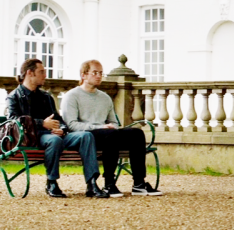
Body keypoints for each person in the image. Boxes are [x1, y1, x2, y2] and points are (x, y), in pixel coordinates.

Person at [6, 58, 108, 198]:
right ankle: (52, 182)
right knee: (54, 140)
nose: (45, 75)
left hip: (55, 135)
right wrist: (41, 123)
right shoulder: (14, 97)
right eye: (41, 72)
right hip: (33, 137)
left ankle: (92, 184)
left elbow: (59, 119)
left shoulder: (45, 97)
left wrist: (63, 129)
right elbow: (13, 120)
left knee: (86, 136)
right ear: (30, 73)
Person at [61, 59, 163, 197]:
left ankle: (139, 183)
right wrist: (100, 127)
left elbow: (114, 122)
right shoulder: (72, 96)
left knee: (136, 133)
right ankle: (109, 183)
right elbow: (72, 125)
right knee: (110, 134)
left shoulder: (105, 97)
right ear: (83, 75)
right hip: (86, 136)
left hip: (107, 134)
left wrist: (111, 127)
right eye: (95, 73)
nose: (99, 76)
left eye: (101, 73)